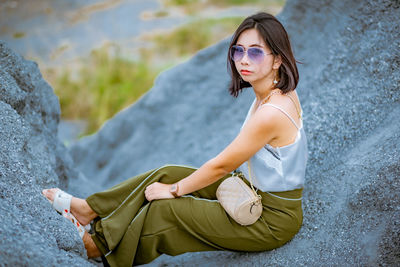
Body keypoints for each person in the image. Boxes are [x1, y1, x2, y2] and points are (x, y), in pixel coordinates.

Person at [42, 12, 308, 267]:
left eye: (255, 52)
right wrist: (172, 183)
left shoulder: (272, 113)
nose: (243, 60)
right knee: (167, 173)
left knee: (166, 208)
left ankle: (97, 247)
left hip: (270, 221)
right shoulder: (274, 93)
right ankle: (88, 209)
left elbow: (221, 166)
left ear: (277, 60)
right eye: (238, 50)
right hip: (249, 191)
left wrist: (174, 191)